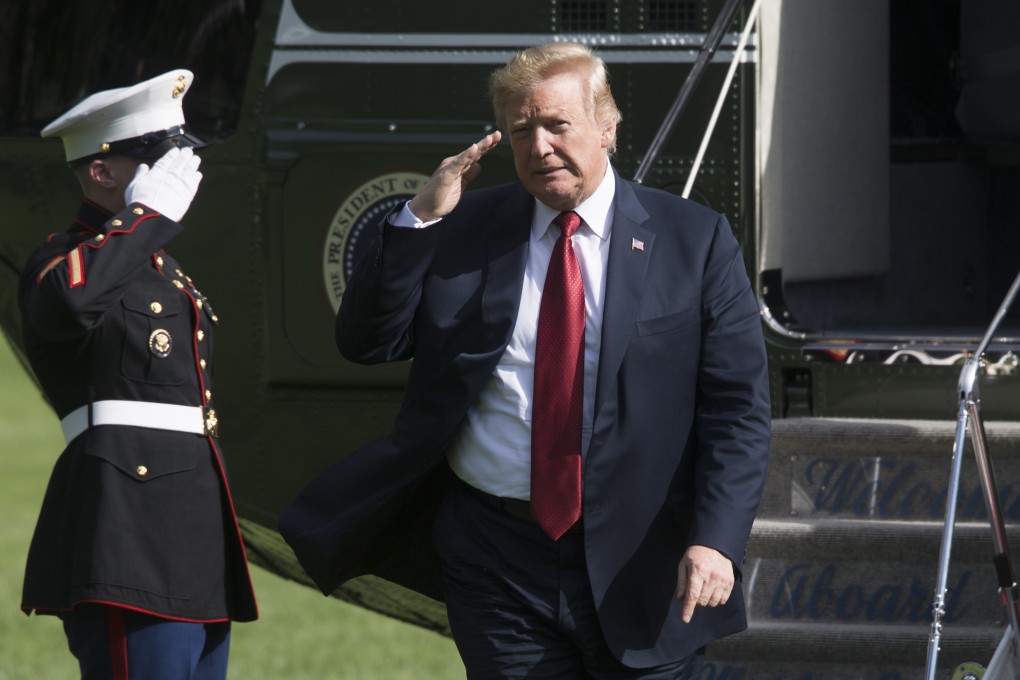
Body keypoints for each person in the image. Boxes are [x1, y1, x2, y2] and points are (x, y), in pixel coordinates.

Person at [280, 41, 770, 678]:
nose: (539, 147)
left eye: (557, 125)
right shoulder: (463, 227)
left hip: (642, 560)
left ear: (607, 127)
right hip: (495, 558)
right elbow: (368, 342)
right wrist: (419, 219)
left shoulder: (694, 241)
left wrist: (717, 539)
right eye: (520, 131)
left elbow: (737, 410)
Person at [19, 70, 257, 679]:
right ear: (103, 171)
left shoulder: (158, 267)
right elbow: (71, 304)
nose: (178, 170)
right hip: (127, 523)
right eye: (158, 156)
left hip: (190, 524)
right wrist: (146, 216)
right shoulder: (60, 261)